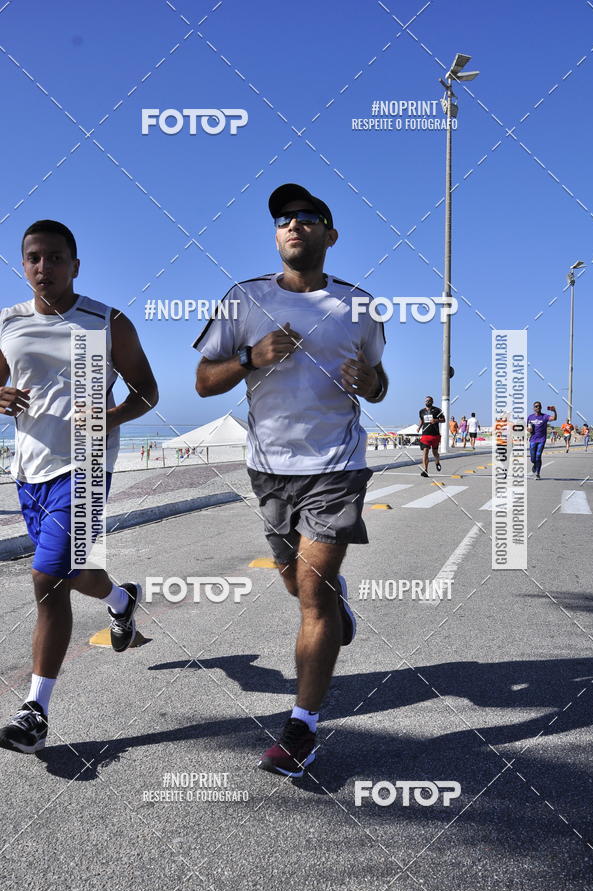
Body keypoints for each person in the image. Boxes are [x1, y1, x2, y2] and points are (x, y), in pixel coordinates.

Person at [194, 183, 387, 778]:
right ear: (276, 235)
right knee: (295, 580)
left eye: (307, 218)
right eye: (284, 219)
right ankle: (335, 610)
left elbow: (380, 384)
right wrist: (252, 358)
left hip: (336, 467)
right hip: (269, 468)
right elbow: (203, 381)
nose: (293, 225)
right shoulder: (243, 299)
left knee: (311, 589)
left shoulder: (359, 305)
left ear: (331, 235)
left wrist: (367, 381)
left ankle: (302, 727)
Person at [0, 220, 158, 754]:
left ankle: (35, 712)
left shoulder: (107, 321)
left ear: (75, 264)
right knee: (72, 573)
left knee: (47, 577)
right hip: (30, 470)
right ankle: (122, 600)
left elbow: (147, 392)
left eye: (55, 257)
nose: (43, 267)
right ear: (24, 265)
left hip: (87, 468)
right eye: (33, 258)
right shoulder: (9, 323)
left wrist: (109, 417)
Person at [527, 402, 557, 479]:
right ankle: (535, 464)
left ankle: (538, 473)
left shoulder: (544, 416)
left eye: (539, 406)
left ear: (541, 408)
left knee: (538, 456)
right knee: (533, 458)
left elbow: (554, 418)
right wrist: (529, 429)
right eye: (536, 406)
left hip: (541, 439)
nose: (537, 408)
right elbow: (528, 428)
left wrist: (554, 411)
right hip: (533, 439)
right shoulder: (530, 417)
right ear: (533, 408)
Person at [417, 396, 445, 476]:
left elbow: (443, 420)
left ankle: (437, 462)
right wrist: (419, 427)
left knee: (435, 452)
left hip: (435, 435)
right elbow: (422, 420)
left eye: (429, 401)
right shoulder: (421, 411)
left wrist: (436, 420)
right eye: (426, 400)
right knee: (425, 452)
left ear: (432, 402)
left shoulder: (437, 410)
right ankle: (425, 470)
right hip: (425, 434)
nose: (427, 402)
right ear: (424, 402)